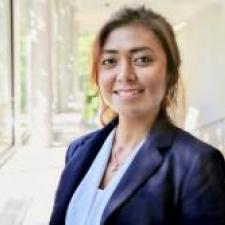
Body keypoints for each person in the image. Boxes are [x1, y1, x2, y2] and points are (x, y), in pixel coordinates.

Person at [49, 6, 225, 225]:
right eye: (110, 61)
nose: (124, 75)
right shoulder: (79, 150)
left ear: (170, 73)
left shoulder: (197, 164)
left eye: (142, 59)